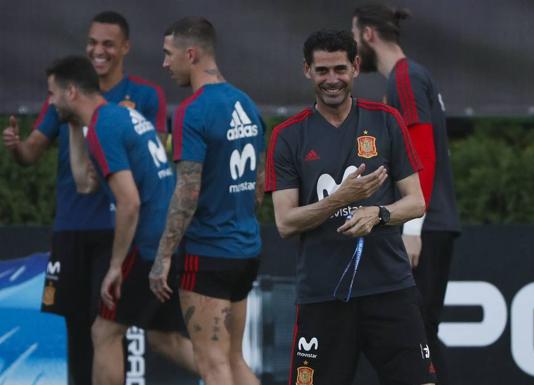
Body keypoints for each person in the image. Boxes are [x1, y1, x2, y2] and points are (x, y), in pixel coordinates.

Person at [2, 11, 167, 385]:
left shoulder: (140, 97)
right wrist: (15, 148)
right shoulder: (64, 94)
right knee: (78, 328)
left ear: (125, 47)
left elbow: (153, 164)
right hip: (71, 227)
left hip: (120, 231)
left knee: (108, 328)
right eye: (92, 43)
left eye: (108, 44)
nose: (99, 50)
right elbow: (35, 157)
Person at [266, 29, 436, 385]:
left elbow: (416, 201)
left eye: (340, 69)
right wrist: (338, 200)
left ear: (356, 67)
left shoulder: (386, 120)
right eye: (322, 70)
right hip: (324, 295)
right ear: (307, 71)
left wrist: (379, 213)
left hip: (389, 288)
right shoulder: (288, 136)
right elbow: (285, 223)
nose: (332, 80)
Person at [45, 55, 196, 385]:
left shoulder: (104, 126)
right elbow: (86, 184)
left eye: (53, 93)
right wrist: (73, 126)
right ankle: (232, 377)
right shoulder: (116, 118)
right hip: (169, 237)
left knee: (104, 331)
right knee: (163, 338)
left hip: (150, 243)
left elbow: (129, 203)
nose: (49, 101)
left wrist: (115, 265)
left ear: (71, 92)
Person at [148, 17, 264, 385]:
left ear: (191, 54)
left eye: (169, 55)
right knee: (234, 362)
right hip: (246, 249)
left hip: (208, 254)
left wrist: (164, 256)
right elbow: (259, 186)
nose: (165, 64)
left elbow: (187, 191)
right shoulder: (245, 102)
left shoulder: (192, 111)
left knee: (213, 366)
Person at [352, 5, 462, 384]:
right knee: (415, 337)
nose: (353, 49)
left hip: (424, 228)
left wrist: (412, 229)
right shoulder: (408, 77)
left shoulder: (406, 77)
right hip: (429, 223)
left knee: (417, 336)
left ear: (368, 35)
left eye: (353, 37)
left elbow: (423, 156)